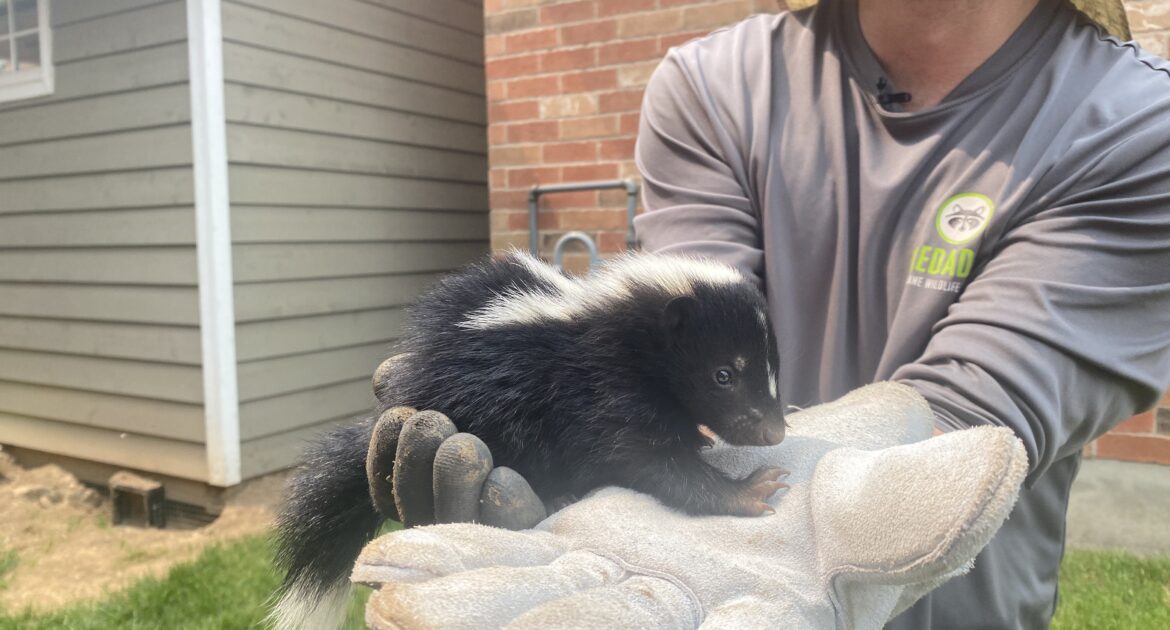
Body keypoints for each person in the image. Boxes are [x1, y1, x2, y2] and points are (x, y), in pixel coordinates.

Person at [375, 0, 1170, 627]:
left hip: (962, 609)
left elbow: (971, 424)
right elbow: (675, 371)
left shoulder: (1137, 127)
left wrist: (725, 502)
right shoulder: (712, 86)